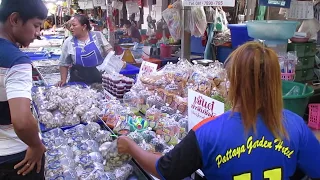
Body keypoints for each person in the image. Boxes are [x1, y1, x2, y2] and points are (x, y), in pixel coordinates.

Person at [117, 42, 320, 180]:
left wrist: (131, 146)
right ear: (276, 82)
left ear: (232, 82)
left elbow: (165, 170)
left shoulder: (208, 133)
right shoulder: (296, 126)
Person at [0, 0, 47, 179]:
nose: (37, 33)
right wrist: (36, 145)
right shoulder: (16, 61)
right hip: (15, 158)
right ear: (15, 19)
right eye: (36, 25)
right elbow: (21, 121)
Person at [57, 14, 113, 86]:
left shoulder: (98, 36)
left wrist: (114, 61)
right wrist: (63, 80)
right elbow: (63, 63)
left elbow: (110, 52)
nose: (71, 28)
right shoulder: (68, 42)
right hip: (78, 82)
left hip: (100, 80)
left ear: (84, 26)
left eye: (74, 25)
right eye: (70, 25)